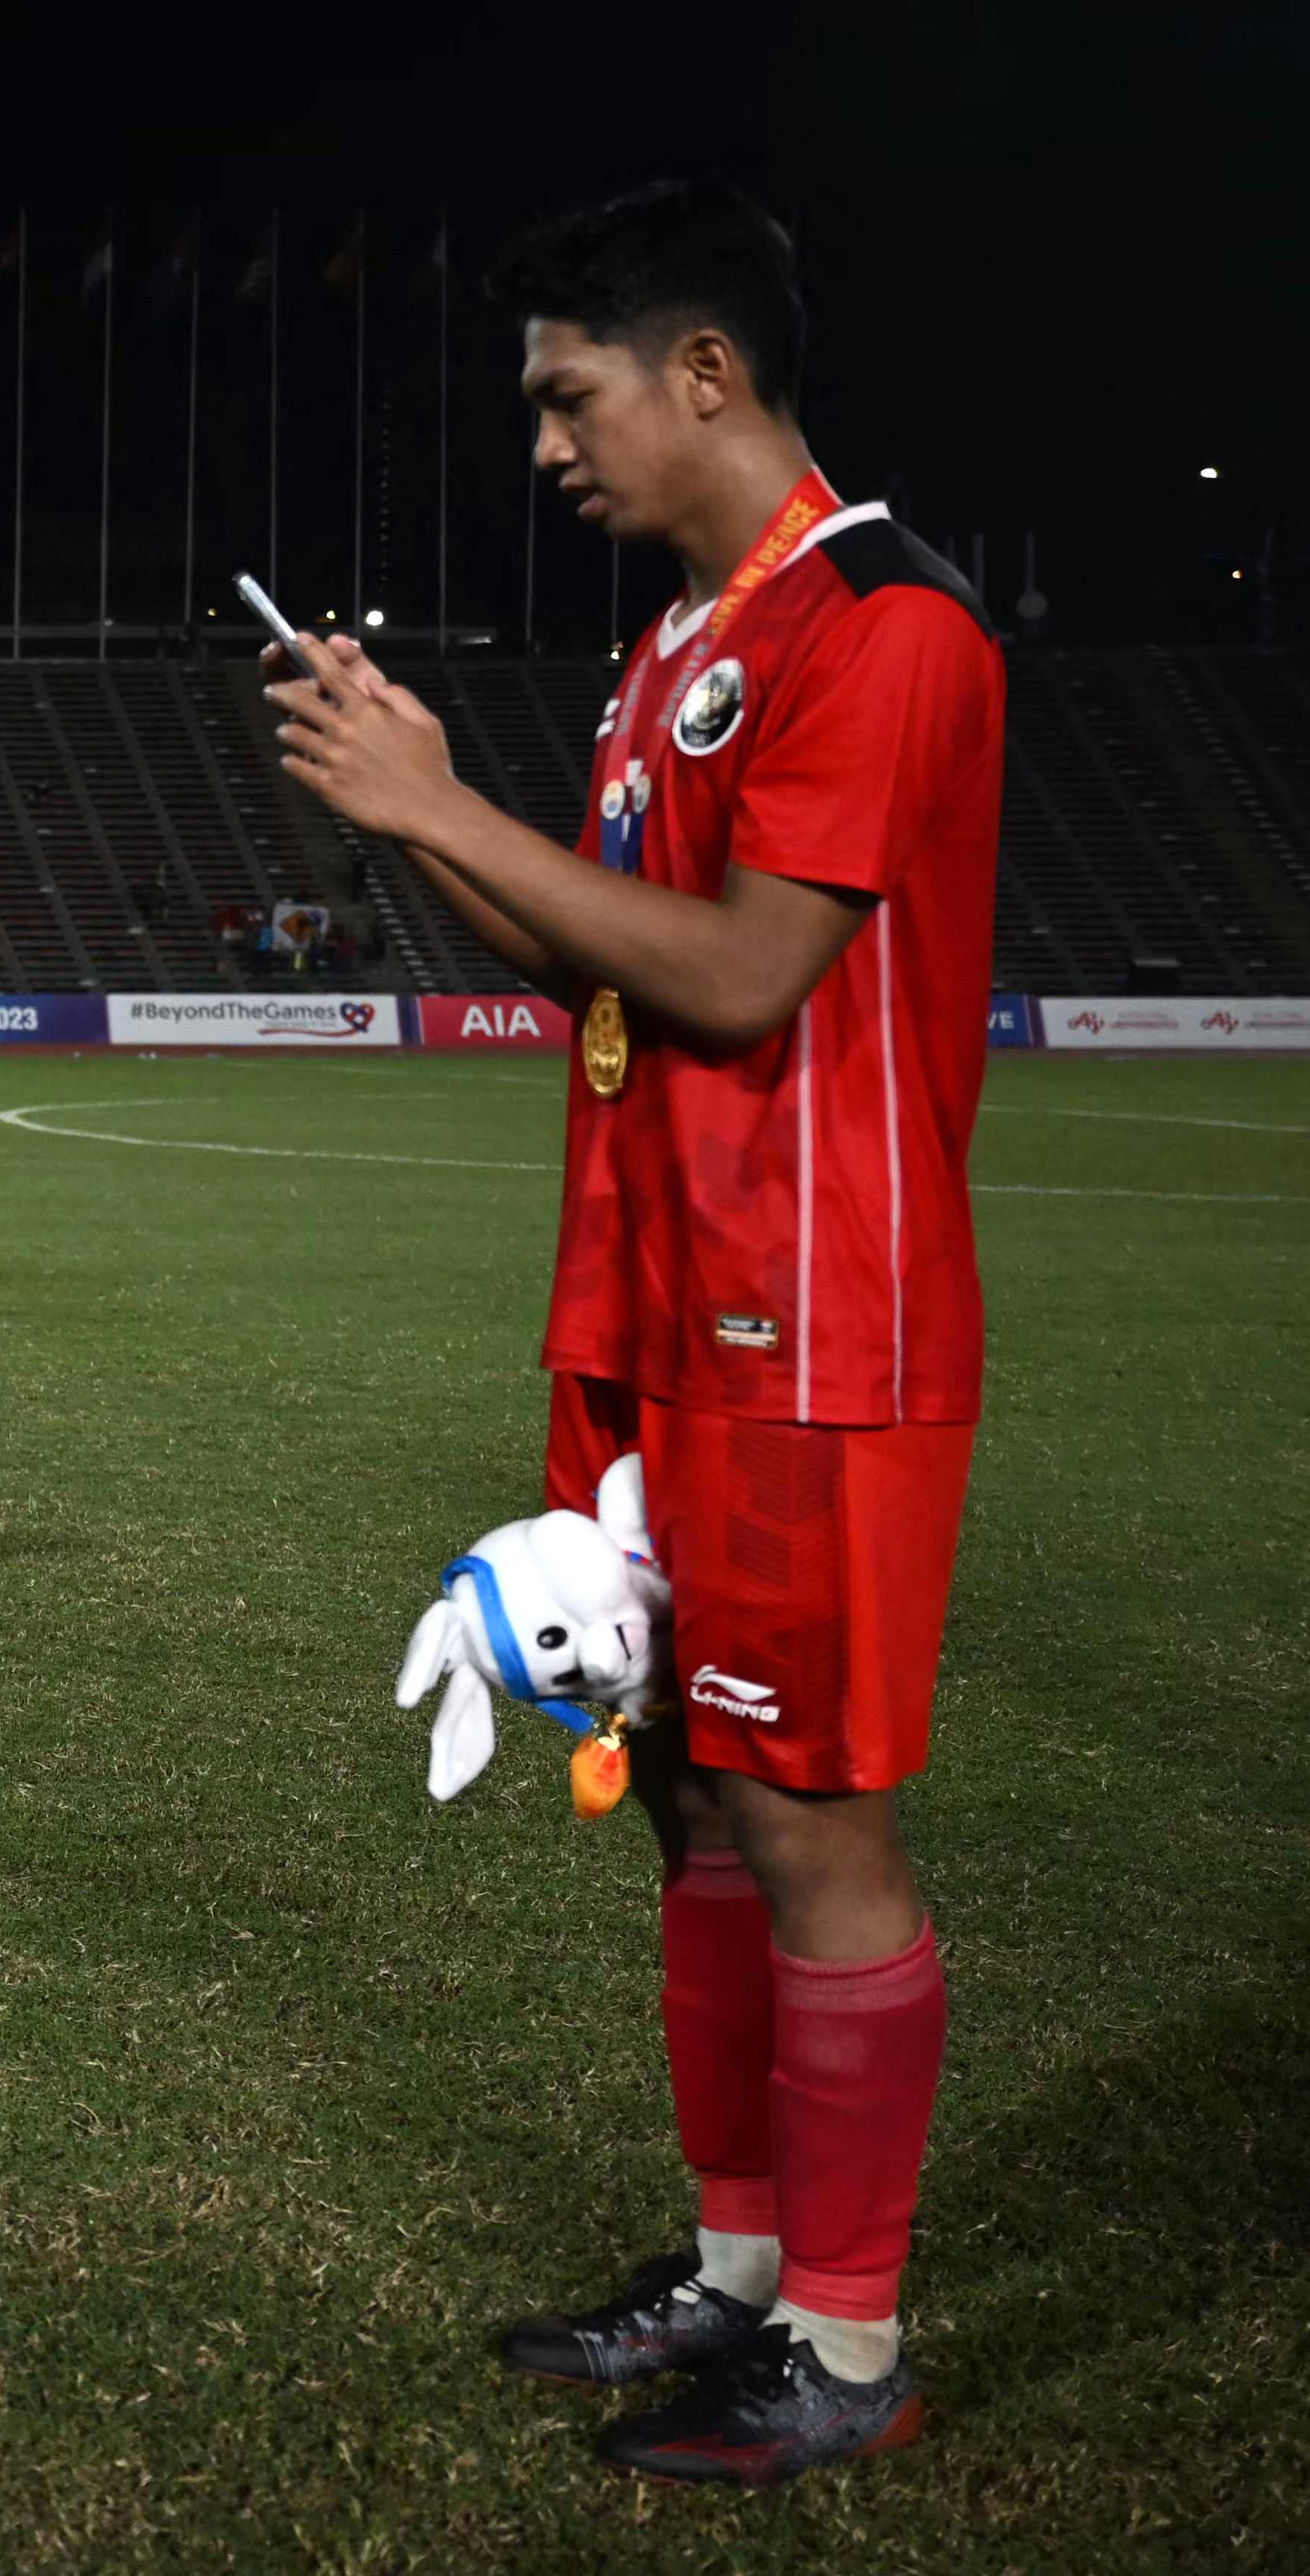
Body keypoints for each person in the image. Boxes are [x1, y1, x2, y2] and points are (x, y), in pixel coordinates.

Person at [269, 181, 997, 2487]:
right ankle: (741, 2265)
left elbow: (745, 973)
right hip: (655, 1301)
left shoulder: (879, 626)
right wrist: (405, 804)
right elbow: (592, 966)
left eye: (567, 395)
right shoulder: (685, 633)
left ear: (704, 370)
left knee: (811, 1828)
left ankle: (853, 2353)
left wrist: (438, 795)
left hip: (817, 1321)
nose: (546, 446)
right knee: (686, 1795)